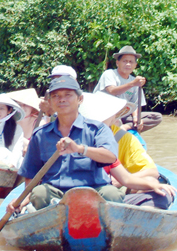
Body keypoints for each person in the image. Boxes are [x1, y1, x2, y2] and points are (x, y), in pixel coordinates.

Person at [8, 75, 121, 213]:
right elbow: (30, 174)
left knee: (112, 194)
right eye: (55, 96)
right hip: (56, 194)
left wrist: (80, 149)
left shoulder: (98, 129)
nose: (61, 99)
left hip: (94, 190)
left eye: (68, 95)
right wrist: (23, 200)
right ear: (49, 101)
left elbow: (110, 157)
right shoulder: (40, 135)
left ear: (80, 99)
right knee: (39, 193)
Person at [80, 90, 160, 181]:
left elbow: (152, 172)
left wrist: (118, 181)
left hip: (112, 187)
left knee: (151, 181)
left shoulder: (123, 138)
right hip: (78, 187)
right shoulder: (71, 134)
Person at [94, 46, 162, 133]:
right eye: (125, 61)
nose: (128, 64)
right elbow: (112, 90)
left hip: (122, 114)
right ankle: (119, 127)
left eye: (131, 62)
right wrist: (132, 84)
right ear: (117, 63)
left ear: (135, 65)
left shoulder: (135, 81)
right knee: (111, 118)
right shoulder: (109, 74)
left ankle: (127, 127)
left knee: (156, 117)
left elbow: (135, 104)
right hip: (105, 113)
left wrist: (136, 118)